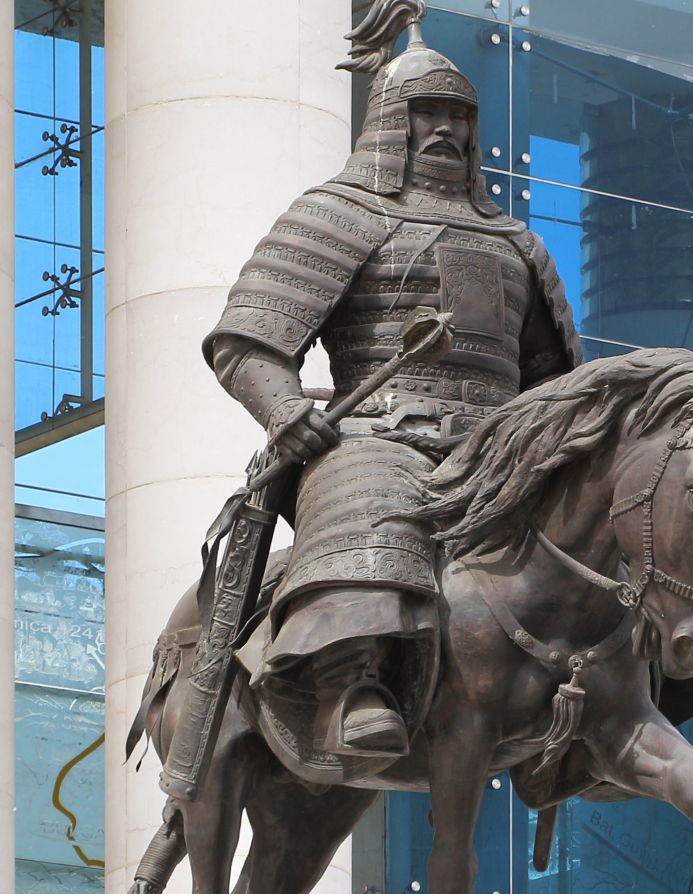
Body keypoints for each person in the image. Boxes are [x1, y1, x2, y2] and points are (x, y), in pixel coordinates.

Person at [204, 0, 581, 761]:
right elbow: (248, 341)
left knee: (618, 529)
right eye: (426, 113)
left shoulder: (518, 244)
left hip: (501, 453)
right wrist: (285, 413)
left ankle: (609, 708)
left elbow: (552, 381)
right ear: (389, 122)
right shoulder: (337, 215)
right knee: (369, 509)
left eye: (458, 116)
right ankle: (352, 684)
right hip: (382, 434)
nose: (445, 130)